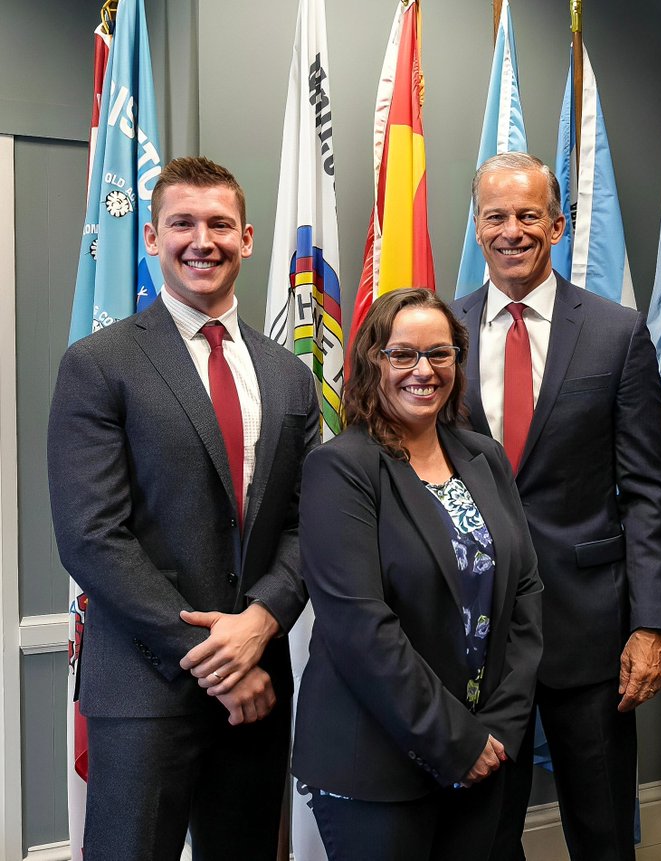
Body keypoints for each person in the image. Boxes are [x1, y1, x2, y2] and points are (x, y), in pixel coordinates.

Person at [47, 156, 320, 860]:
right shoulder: (99, 363)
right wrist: (217, 658)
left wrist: (260, 623)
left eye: (220, 224)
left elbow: (305, 522)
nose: (203, 239)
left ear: (248, 238)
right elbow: (92, 536)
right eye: (183, 223)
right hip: (145, 687)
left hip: (259, 687)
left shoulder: (289, 374)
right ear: (151, 238)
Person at [451, 152, 661, 861]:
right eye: (495, 216)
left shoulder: (616, 332)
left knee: (603, 830)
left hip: (591, 633)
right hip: (473, 632)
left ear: (558, 223)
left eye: (527, 215)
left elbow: (645, 491)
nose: (511, 230)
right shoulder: (440, 335)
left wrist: (648, 624)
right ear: (476, 226)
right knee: (485, 834)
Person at [291, 288, 543, 860]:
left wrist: (498, 729)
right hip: (376, 766)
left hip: (486, 754)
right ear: (371, 361)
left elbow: (525, 593)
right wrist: (457, 741)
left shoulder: (484, 456)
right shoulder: (341, 468)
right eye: (402, 354)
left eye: (440, 354)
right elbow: (362, 630)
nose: (423, 371)